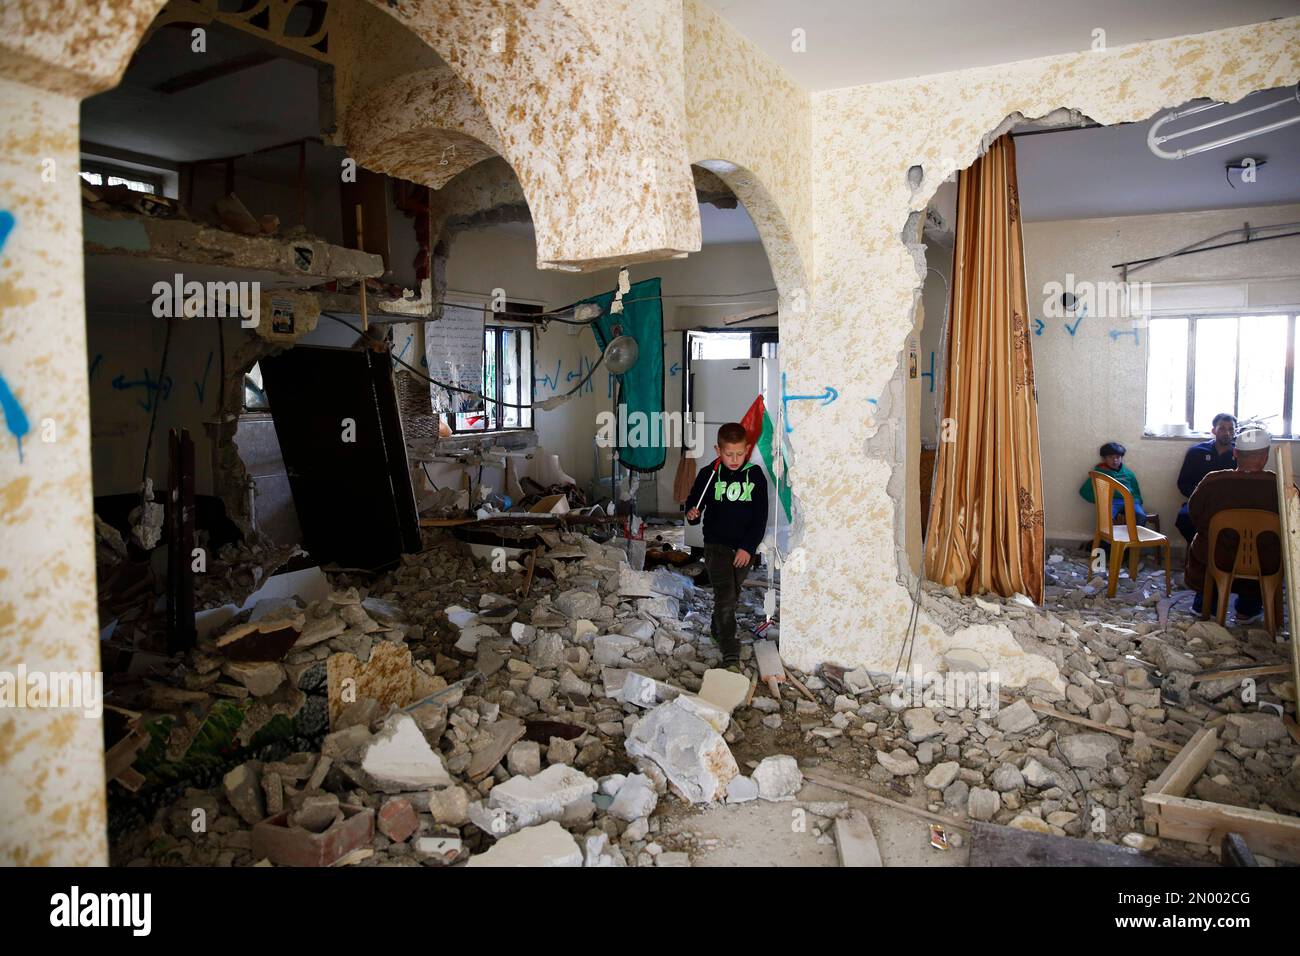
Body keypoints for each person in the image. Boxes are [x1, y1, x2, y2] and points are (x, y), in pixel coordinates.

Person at [685, 422, 769, 669]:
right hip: (716, 545)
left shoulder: (755, 475)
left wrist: (748, 547)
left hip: (743, 548)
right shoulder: (708, 474)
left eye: (739, 454)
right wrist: (692, 514)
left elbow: (760, 517)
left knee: (732, 593)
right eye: (728, 454)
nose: (734, 459)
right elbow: (694, 505)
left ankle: (717, 626)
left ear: (747, 449)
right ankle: (730, 650)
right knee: (725, 593)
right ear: (718, 450)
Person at [1184, 421, 1279, 620]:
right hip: (1264, 562)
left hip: (1218, 557)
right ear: (1265, 456)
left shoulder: (1212, 481)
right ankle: (1248, 609)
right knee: (1267, 548)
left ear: (1235, 453)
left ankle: (1205, 605)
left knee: (1205, 542)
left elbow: (1194, 513)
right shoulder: (1279, 485)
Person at [1176, 412, 1236, 542]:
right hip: (1201, 502)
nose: (1227, 433)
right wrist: (1200, 496)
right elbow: (1183, 483)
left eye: (1231, 429)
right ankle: (1198, 549)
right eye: (1222, 428)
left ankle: (1220, 552)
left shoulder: (1240, 455)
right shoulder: (1197, 452)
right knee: (1184, 517)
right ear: (1214, 430)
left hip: (1228, 504)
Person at [1079, 442, 1148, 526]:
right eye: (1110, 457)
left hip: (1130, 501)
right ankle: (1107, 535)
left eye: (1118, 457)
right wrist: (1101, 500)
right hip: (1112, 502)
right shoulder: (1098, 474)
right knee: (1106, 519)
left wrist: (1136, 501)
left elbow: (1136, 492)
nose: (1115, 460)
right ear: (1104, 459)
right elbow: (1084, 491)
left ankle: (1135, 535)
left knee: (1141, 516)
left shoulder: (1129, 474)